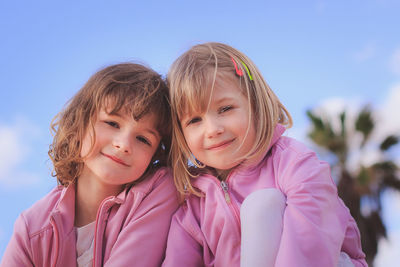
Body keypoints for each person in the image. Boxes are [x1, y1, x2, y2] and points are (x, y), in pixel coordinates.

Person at [162, 42, 367, 267]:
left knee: (263, 204)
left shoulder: (295, 164)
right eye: (194, 120)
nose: (212, 129)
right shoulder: (193, 205)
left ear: (255, 105)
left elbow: (311, 243)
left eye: (225, 109)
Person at [1, 63, 179, 267]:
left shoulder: (157, 192)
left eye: (143, 139)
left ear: (155, 154)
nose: (123, 145)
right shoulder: (32, 228)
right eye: (112, 124)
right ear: (79, 123)